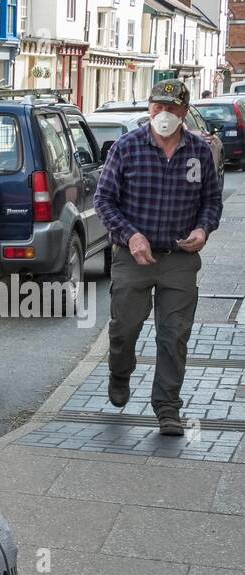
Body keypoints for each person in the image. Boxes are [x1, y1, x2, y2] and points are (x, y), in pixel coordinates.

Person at [94, 78, 222, 436]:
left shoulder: (198, 152)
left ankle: (168, 408)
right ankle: (120, 372)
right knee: (124, 329)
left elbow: (211, 201)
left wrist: (203, 229)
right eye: (157, 107)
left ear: (184, 111)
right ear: (149, 108)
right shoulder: (127, 147)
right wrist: (131, 236)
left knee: (174, 334)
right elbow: (103, 201)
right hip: (133, 256)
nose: (164, 114)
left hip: (179, 257)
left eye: (172, 108)